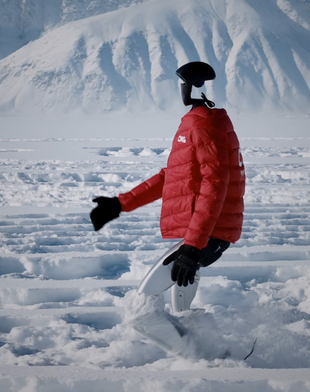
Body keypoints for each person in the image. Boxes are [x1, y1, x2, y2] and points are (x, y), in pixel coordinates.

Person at [90, 61, 245, 352]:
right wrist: (119, 204)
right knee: (181, 314)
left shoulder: (202, 125)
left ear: (188, 86)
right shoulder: (202, 121)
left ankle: (201, 358)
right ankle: (209, 360)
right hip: (205, 235)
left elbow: (216, 184)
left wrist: (193, 245)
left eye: (181, 84)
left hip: (204, 236)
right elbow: (172, 177)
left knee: (143, 308)